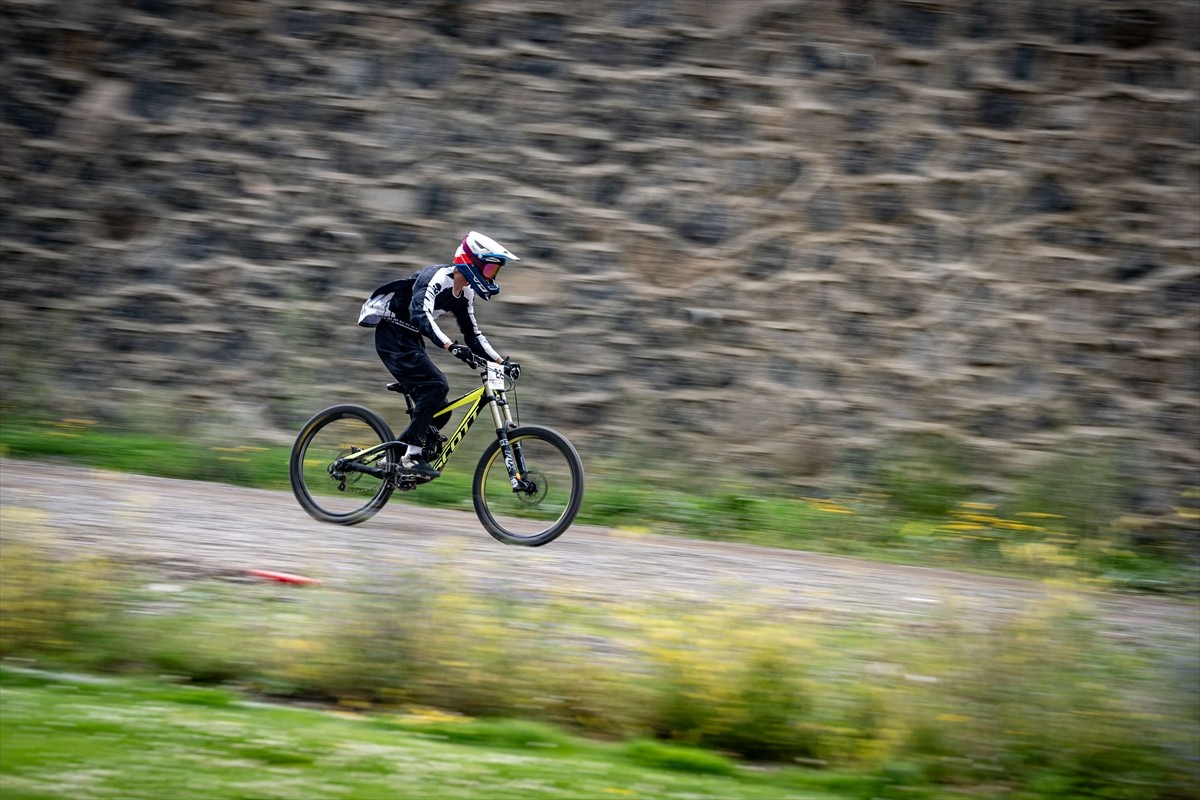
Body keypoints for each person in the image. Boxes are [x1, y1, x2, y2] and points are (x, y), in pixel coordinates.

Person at [358, 231, 522, 480]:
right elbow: (420, 316)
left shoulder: (465, 293)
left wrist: (502, 363)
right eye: (489, 269)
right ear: (472, 262)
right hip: (392, 335)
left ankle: (392, 459)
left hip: (411, 340)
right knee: (436, 386)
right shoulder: (436, 278)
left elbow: (473, 336)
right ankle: (412, 458)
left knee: (442, 409)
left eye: (494, 272)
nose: (492, 276)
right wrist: (450, 346)